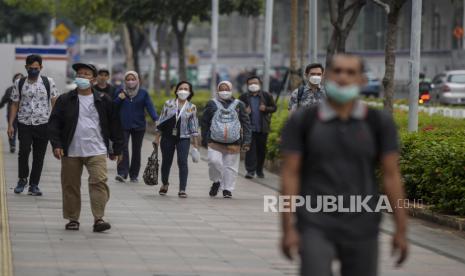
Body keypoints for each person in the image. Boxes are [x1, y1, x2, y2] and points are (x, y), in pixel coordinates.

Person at [280, 54, 408, 276]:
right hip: (314, 221)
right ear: (327, 76)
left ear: (362, 80)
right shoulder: (303, 121)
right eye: (337, 71)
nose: (343, 77)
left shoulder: (378, 122)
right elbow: (290, 174)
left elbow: (391, 176)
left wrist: (401, 229)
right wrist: (287, 227)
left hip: (363, 222)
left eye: (350, 72)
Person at [48, 63, 124, 232]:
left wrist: (117, 149)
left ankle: (99, 219)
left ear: (94, 79)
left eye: (86, 74)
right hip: (71, 150)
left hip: (96, 150)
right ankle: (72, 219)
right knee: (70, 185)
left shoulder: (104, 100)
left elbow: (114, 125)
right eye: (79, 74)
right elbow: (54, 124)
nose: (82, 77)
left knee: (99, 182)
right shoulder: (65, 99)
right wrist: (57, 145)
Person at [8, 54, 58, 196]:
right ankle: (22, 179)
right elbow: (15, 103)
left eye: (36, 68)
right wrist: (10, 124)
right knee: (23, 151)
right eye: (31, 68)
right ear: (26, 67)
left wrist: (55, 124)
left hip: (43, 123)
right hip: (24, 122)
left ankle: (34, 185)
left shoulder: (49, 82)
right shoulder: (19, 82)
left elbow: (55, 102)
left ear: (41, 67)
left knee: (39, 155)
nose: (33, 70)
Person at [201, 81, 251, 198]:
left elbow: (246, 123)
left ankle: (227, 189)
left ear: (231, 90)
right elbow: (204, 122)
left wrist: (247, 141)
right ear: (218, 90)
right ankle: (216, 181)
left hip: (234, 142)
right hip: (214, 141)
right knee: (214, 162)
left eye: (227, 89)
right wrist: (205, 138)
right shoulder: (211, 103)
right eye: (222, 89)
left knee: (230, 167)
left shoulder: (239, 105)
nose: (224, 91)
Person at [155, 81, 200, 198]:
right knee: (166, 162)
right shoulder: (168, 104)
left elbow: (194, 127)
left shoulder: (192, 107)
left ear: (190, 92)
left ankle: (182, 189)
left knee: (182, 161)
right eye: (181, 88)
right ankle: (165, 183)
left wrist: (195, 145)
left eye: (186, 89)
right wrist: (156, 138)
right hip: (167, 137)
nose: (183, 91)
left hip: (184, 138)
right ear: (176, 90)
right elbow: (161, 121)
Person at [114, 71, 158, 183]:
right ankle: (122, 173)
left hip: (139, 126)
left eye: (133, 79)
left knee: (136, 150)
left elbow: (150, 107)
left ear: (138, 80)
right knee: (123, 148)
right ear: (125, 81)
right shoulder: (120, 91)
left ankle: (134, 175)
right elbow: (113, 107)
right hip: (123, 125)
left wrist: (156, 120)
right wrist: (119, 98)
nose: (130, 81)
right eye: (128, 79)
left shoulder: (143, 93)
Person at [239, 75, 277, 179]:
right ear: (247, 85)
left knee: (261, 150)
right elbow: (237, 110)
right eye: (250, 83)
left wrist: (266, 108)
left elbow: (274, 108)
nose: (253, 85)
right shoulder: (243, 97)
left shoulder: (266, 95)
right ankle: (250, 171)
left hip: (262, 127)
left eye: (255, 83)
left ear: (259, 84)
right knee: (250, 150)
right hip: (249, 128)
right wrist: (244, 111)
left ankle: (259, 170)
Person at [1, 73, 23, 153]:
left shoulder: (26, 90)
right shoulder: (10, 90)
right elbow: (3, 101)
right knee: (12, 129)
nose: (19, 80)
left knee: (23, 132)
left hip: (23, 115)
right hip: (12, 115)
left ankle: (23, 146)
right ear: (14, 80)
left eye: (21, 78)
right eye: (17, 78)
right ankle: (12, 145)